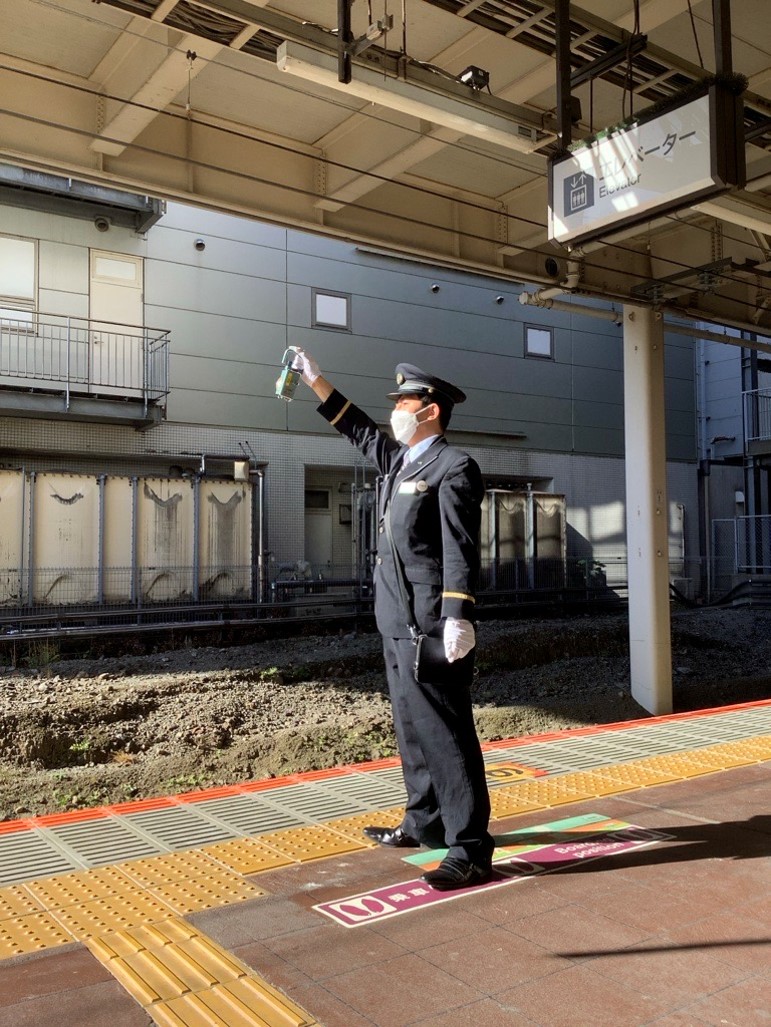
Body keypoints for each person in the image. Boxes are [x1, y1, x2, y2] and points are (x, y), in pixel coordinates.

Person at [293, 349, 494, 890]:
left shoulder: (453, 467)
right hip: (394, 620)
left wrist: (458, 615)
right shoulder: (402, 461)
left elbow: (460, 548)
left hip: (431, 624)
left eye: (403, 401)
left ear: (429, 410)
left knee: (446, 732)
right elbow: (356, 429)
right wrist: (317, 380)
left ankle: (470, 847)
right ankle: (423, 822)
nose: (395, 410)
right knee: (411, 730)